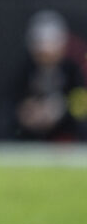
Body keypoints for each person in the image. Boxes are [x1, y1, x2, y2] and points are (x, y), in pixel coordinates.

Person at [10, 10, 87, 141]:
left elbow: (81, 103)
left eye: (50, 48)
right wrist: (27, 111)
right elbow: (12, 99)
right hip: (29, 133)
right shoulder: (25, 70)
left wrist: (59, 110)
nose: (45, 54)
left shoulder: (72, 69)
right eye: (40, 50)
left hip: (65, 132)